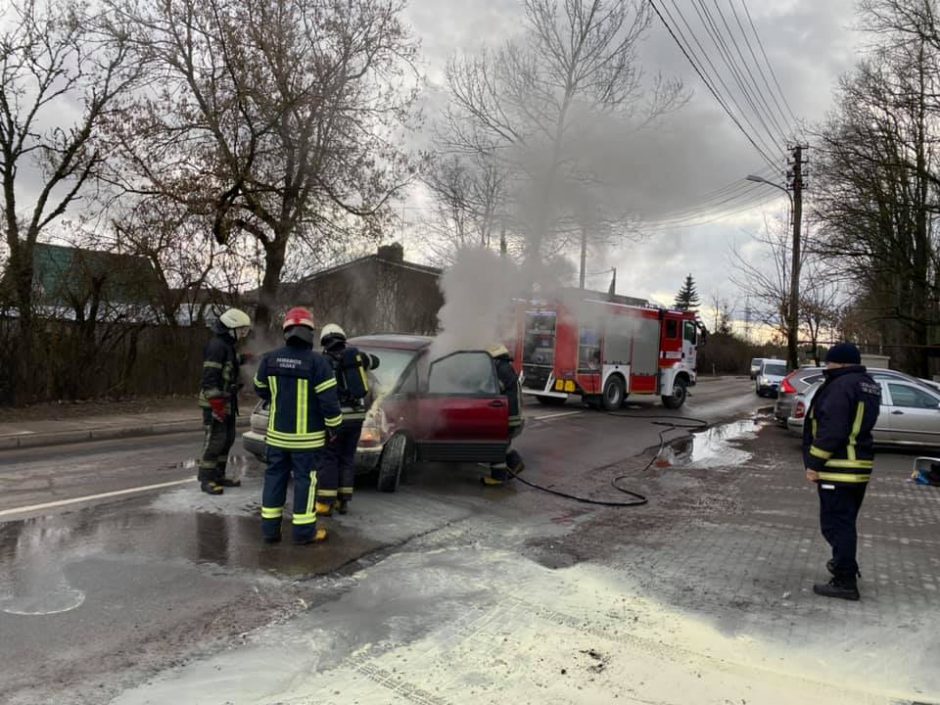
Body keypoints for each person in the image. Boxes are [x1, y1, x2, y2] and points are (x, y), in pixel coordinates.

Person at [253, 307, 343, 544]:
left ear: (286, 331)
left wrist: (281, 396)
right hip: (308, 441)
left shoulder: (269, 359)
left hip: (276, 437)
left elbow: (260, 389)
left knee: (274, 479)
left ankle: (270, 532)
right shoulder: (318, 363)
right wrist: (335, 427)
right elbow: (329, 403)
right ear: (310, 332)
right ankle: (303, 533)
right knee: (305, 482)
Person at [802, 342, 881, 600]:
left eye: (830, 362)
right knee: (844, 522)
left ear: (842, 363)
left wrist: (814, 464)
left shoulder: (841, 386)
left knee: (836, 525)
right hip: (858, 466)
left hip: (838, 468)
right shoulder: (867, 384)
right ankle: (844, 567)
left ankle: (845, 579)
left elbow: (832, 429)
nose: (827, 365)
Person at [318, 323, 379, 516]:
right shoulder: (357, 356)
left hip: (337, 417)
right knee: (347, 458)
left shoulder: (324, 361)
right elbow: (375, 361)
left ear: (324, 341)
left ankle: (326, 503)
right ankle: (343, 501)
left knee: (329, 457)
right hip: (357, 416)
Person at [198, 307, 252, 495]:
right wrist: (216, 404)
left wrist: (244, 359)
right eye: (242, 330)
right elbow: (209, 378)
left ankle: (218, 475)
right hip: (216, 403)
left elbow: (230, 362)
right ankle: (206, 478)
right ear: (231, 327)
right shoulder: (216, 346)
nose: (243, 334)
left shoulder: (226, 346)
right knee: (215, 440)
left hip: (226, 401)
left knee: (226, 439)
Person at [483, 344, 525, 486]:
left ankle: (498, 477)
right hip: (509, 413)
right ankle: (515, 463)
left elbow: (493, 388)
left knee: (495, 443)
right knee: (502, 442)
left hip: (508, 415)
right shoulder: (504, 366)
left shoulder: (502, 369)